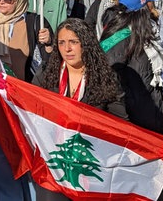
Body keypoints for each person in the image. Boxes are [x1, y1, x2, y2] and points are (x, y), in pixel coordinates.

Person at [31, 18, 128, 200]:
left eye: (74, 42)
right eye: (62, 42)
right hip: (52, 161)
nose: (67, 49)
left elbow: (121, 123)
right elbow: (30, 106)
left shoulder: (104, 79)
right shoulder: (47, 73)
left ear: (86, 44)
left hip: (90, 164)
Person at [0, 0, 53, 201]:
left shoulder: (35, 22)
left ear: (20, 0)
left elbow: (49, 64)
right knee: (3, 153)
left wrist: (49, 43)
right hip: (0, 102)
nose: (2, 3)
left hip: (28, 103)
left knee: (32, 153)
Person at [100, 0, 163, 134]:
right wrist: (124, 119)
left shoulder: (139, 32)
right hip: (136, 117)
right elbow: (110, 80)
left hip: (149, 108)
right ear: (141, 10)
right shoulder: (119, 37)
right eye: (148, 3)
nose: (151, 7)